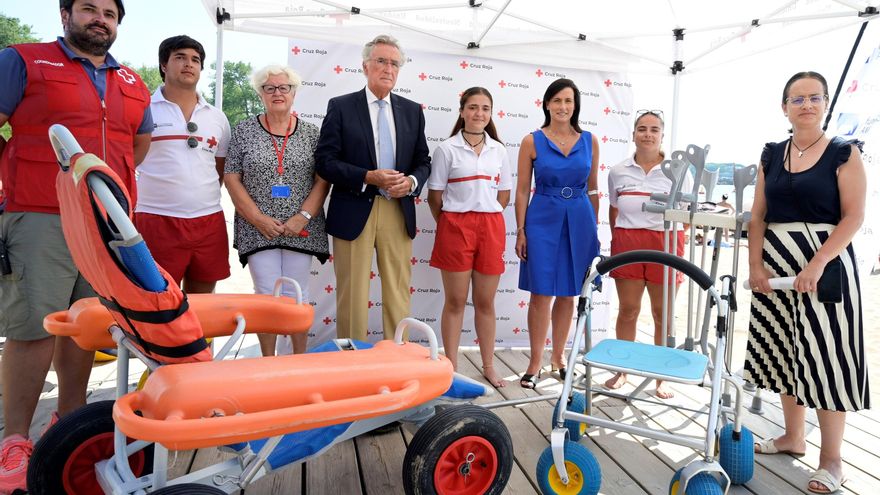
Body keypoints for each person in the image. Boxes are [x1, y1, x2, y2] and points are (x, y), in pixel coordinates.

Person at [0, 1, 152, 492]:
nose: (100, 19)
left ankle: (67, 422)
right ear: (65, 14)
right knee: (32, 326)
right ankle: (15, 442)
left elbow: (137, 145)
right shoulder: (22, 60)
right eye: (89, 8)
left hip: (107, 223)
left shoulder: (132, 81)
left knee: (85, 326)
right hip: (40, 213)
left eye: (109, 12)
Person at [745, 71, 868, 495]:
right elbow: (757, 216)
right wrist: (755, 265)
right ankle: (793, 437)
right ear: (784, 107)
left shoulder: (844, 152)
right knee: (783, 351)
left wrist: (816, 264)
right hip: (776, 262)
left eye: (815, 98)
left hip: (826, 264)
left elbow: (853, 217)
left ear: (826, 103)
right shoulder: (771, 154)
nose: (806, 105)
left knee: (829, 357)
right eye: (797, 99)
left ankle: (832, 460)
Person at [315, 34, 431, 341]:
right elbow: (325, 162)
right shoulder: (341, 107)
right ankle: (351, 363)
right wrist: (368, 176)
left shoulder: (412, 110)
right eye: (381, 61)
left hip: (398, 208)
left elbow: (423, 160)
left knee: (396, 291)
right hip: (354, 208)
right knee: (352, 293)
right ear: (366, 66)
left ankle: (397, 358)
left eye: (394, 63)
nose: (388, 69)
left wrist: (411, 182)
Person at [225, 65, 330, 356]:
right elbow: (232, 176)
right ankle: (268, 361)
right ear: (260, 93)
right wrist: (258, 219)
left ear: (294, 93)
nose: (277, 93)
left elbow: (323, 179)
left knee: (297, 295)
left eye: (284, 87)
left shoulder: (311, 133)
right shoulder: (244, 130)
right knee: (266, 295)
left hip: (301, 227)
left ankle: (298, 359)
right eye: (269, 88)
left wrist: (303, 217)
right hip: (257, 227)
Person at [514, 78, 600, 389]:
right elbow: (522, 190)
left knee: (568, 293)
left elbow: (593, 189)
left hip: (580, 220)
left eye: (569, 101)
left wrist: (595, 229)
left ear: (575, 105)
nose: (563, 106)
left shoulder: (590, 140)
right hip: (542, 219)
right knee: (541, 294)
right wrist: (521, 230)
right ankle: (535, 362)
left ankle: (559, 357)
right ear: (547, 104)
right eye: (558, 100)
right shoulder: (531, 141)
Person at [427, 87, 513, 388]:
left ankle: (489, 365)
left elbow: (504, 195)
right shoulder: (446, 149)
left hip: (490, 227)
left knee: (486, 302)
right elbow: (435, 197)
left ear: (491, 114)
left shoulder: (499, 150)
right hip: (455, 227)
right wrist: (453, 223)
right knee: (455, 301)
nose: (479, 113)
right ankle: (450, 368)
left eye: (485, 108)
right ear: (462, 111)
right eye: (473, 107)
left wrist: (483, 213)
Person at [604, 109, 691, 399]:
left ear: (662, 135)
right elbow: (614, 209)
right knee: (628, 310)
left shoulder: (678, 171)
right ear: (633, 135)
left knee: (662, 314)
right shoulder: (617, 171)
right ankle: (622, 370)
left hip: (666, 242)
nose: (648, 134)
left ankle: (660, 375)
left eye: (654, 129)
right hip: (628, 241)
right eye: (642, 128)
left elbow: (688, 214)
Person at [135, 35, 231, 294]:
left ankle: (201, 338)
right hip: (156, 219)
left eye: (195, 60)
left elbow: (218, 170)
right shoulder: (143, 109)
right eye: (180, 57)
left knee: (203, 304)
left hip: (208, 219)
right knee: (159, 301)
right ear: (164, 65)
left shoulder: (217, 117)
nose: (189, 64)